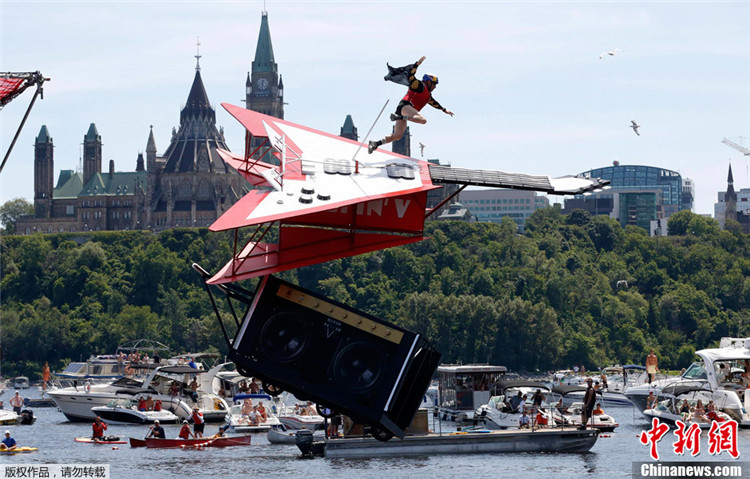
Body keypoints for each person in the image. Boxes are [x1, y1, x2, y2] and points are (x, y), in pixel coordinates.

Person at [368, 56, 454, 154]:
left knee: (397, 136)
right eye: (434, 84)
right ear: (428, 82)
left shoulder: (428, 96)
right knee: (423, 120)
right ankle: (398, 117)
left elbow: (435, 104)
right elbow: (411, 76)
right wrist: (417, 64)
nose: (435, 87)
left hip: (404, 110)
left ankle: (375, 144)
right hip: (406, 106)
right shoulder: (419, 85)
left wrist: (444, 110)